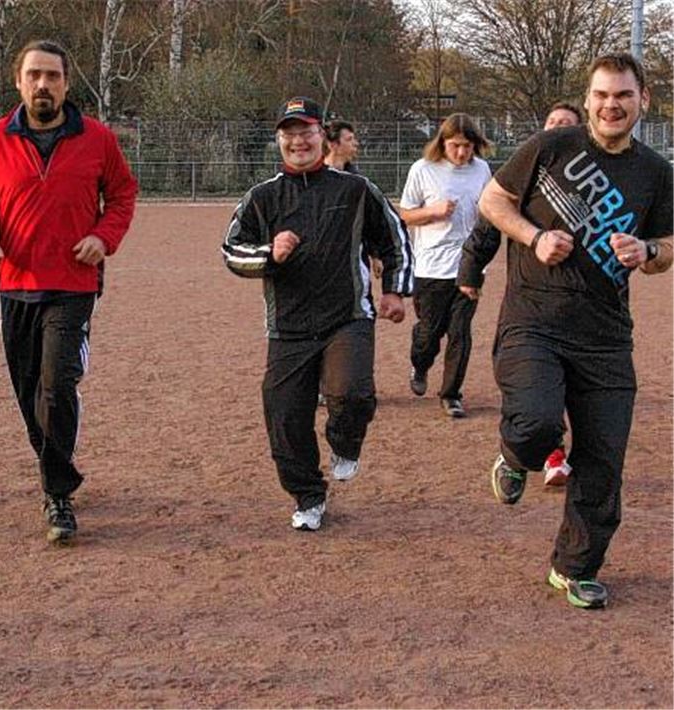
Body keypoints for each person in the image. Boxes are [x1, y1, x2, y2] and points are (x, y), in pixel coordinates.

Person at [478, 53, 672, 610]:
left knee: (604, 460)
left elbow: (669, 246)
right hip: (533, 322)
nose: (612, 105)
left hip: (607, 338)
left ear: (643, 101)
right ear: (587, 99)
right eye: (603, 95)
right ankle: (517, 456)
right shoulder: (551, 147)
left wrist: (648, 251)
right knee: (537, 422)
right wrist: (534, 237)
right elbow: (494, 200)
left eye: (624, 96)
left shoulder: (656, 173)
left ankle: (574, 569)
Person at [0, 40, 138, 545]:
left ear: (65, 84)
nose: (42, 85)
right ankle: (55, 462)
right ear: (19, 82)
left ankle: (58, 494)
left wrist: (103, 236)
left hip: (74, 284)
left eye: (52, 76)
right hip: (15, 285)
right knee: (29, 390)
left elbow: (122, 194)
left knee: (57, 383)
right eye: (34, 75)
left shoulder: (97, 139)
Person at [221, 96, 412, 532]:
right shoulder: (261, 198)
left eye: (306, 132)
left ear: (322, 137)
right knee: (284, 418)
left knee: (351, 394)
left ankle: (345, 442)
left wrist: (396, 291)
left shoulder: (355, 190)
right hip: (287, 328)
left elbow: (394, 238)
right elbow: (231, 252)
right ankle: (308, 495)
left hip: (348, 318)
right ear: (278, 141)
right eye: (289, 134)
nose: (298, 141)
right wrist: (271, 253)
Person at [457, 101, 582, 486]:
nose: (558, 129)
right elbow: (488, 227)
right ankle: (538, 453)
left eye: (567, 125)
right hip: (532, 308)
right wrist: (470, 271)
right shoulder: (526, 174)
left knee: (573, 395)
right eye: (552, 122)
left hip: (587, 311)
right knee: (538, 392)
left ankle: (555, 457)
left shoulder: (596, 180)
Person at [398, 113, 493, 419]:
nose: (462, 152)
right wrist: (433, 212)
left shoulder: (482, 170)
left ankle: (451, 394)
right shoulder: (423, 170)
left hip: (468, 266)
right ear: (442, 142)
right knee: (429, 333)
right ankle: (420, 363)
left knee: (460, 333)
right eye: (455, 145)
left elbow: (491, 211)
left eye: (467, 146)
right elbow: (406, 215)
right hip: (430, 268)